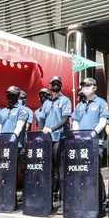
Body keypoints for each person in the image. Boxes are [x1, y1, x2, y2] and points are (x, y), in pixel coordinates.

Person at [71, 77, 109, 212]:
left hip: (94, 144)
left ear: (95, 87)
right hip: (80, 145)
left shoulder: (101, 102)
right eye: (83, 85)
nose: (85, 87)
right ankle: (85, 201)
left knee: (95, 174)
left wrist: (91, 135)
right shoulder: (79, 105)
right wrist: (77, 136)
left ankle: (101, 204)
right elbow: (75, 121)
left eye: (88, 85)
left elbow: (103, 122)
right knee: (82, 173)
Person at [38, 76, 73, 208]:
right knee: (48, 172)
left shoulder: (65, 100)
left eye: (58, 83)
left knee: (62, 173)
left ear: (61, 85)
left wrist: (52, 129)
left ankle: (64, 202)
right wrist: (39, 136)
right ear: (49, 85)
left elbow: (65, 120)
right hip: (47, 142)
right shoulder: (46, 103)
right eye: (53, 83)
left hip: (60, 140)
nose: (55, 85)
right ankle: (48, 201)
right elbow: (41, 121)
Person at [0, 86, 31, 202]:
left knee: (24, 171)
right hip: (4, 147)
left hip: (18, 146)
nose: (9, 96)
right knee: (6, 171)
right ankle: (6, 194)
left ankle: (26, 194)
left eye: (13, 94)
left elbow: (18, 129)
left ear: (18, 96)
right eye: (8, 94)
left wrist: (10, 141)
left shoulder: (22, 110)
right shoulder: (2, 111)